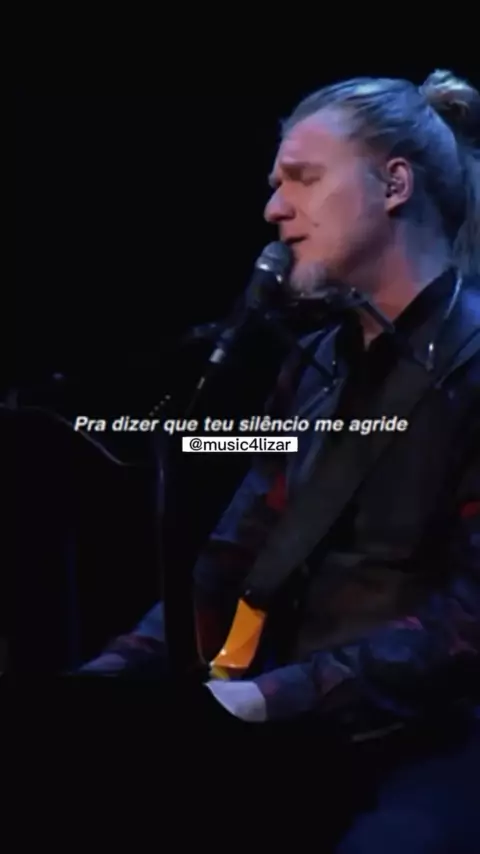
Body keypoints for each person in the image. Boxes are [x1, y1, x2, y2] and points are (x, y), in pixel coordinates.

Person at [78, 70, 480, 850]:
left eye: (303, 177)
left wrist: (272, 697)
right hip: (297, 728)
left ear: (394, 185)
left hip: (433, 744)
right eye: (274, 184)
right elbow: (230, 561)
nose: (273, 208)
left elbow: (469, 621)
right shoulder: (314, 366)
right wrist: (106, 682)